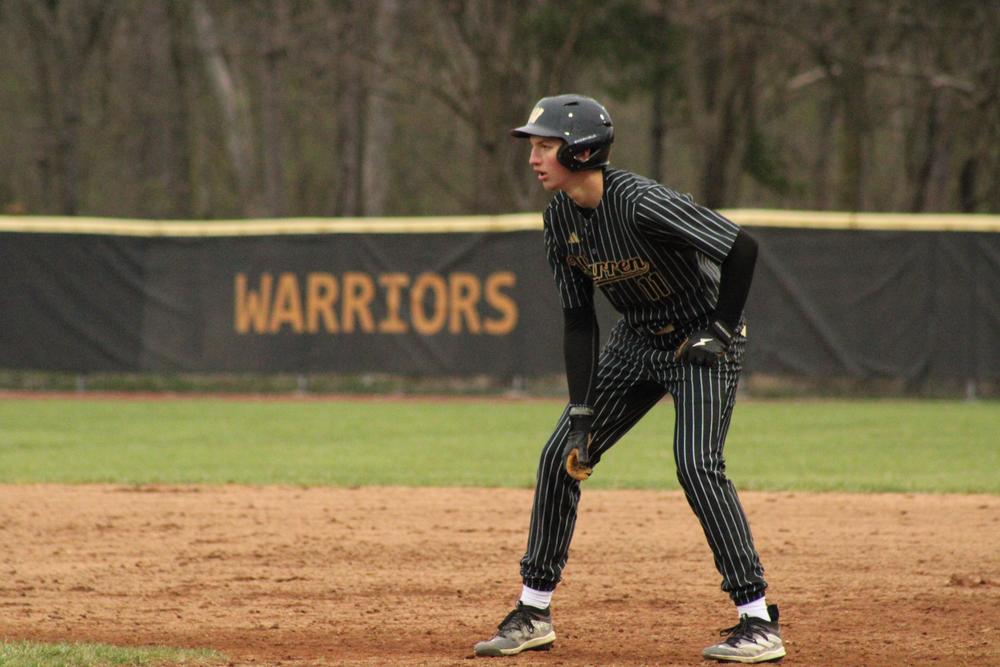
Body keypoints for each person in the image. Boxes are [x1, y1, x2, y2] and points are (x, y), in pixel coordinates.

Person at [473, 94, 785, 663]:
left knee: (696, 464)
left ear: (581, 150)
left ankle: (757, 620)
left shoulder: (641, 202)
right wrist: (580, 412)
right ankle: (533, 611)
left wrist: (719, 327)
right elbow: (578, 319)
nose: (534, 158)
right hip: (636, 342)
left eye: (545, 146)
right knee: (558, 456)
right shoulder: (560, 219)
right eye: (535, 146)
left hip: (700, 343)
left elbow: (742, 247)